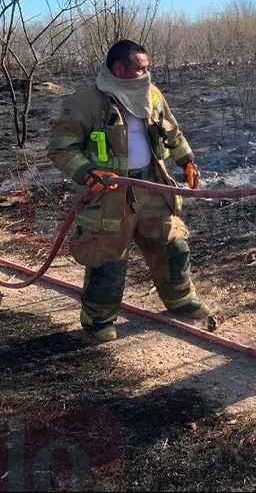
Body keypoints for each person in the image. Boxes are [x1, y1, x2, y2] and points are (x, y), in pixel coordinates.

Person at [46, 40, 211, 341]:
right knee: (108, 258)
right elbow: (61, 148)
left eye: (148, 68)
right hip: (110, 194)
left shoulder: (152, 95)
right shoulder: (86, 102)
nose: (147, 74)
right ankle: (98, 319)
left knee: (172, 244)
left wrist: (186, 161)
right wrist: (87, 172)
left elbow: (172, 131)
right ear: (119, 69)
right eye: (140, 68)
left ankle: (180, 300)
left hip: (151, 186)